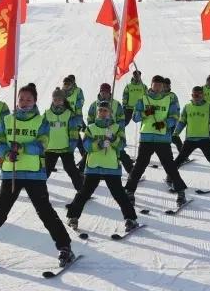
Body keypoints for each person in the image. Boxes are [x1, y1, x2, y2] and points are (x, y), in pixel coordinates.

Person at [0, 84, 74, 267]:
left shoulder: (41, 121)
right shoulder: (7, 120)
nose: (24, 102)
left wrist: (22, 147)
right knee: (0, 212)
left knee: (45, 212)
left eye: (28, 99)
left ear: (35, 101)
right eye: (21, 99)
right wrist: (6, 154)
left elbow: (43, 144)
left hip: (34, 173)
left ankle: (64, 246)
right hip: (11, 173)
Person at [66, 101, 139, 232]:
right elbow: (86, 146)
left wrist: (113, 139)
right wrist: (99, 144)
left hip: (111, 167)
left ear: (110, 113)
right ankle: (73, 217)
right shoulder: (91, 128)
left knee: (119, 195)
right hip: (94, 166)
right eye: (100, 110)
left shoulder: (116, 128)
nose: (102, 113)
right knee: (84, 193)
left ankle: (130, 218)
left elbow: (122, 145)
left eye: (105, 111)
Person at [124, 75, 189, 206]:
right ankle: (129, 191)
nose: (158, 87)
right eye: (156, 85)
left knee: (169, 166)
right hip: (146, 138)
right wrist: (146, 113)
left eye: (160, 85)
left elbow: (175, 117)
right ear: (151, 84)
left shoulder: (169, 99)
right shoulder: (144, 98)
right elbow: (135, 117)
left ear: (163, 86)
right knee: (139, 166)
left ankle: (181, 192)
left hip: (162, 138)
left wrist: (164, 124)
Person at [170, 86, 210, 188]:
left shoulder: (209, 106)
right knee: (180, 159)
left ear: (203, 95)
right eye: (194, 95)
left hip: (205, 139)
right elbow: (182, 122)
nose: (196, 97)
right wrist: (176, 133)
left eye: (199, 95)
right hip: (190, 139)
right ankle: (170, 178)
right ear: (192, 95)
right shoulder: (187, 107)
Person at [85, 82, 134, 173]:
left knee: (120, 152)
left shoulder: (116, 104)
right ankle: (82, 171)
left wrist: (119, 132)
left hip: (112, 132)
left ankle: (132, 172)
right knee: (91, 151)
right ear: (100, 92)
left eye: (106, 92)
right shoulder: (94, 105)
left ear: (110, 93)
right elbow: (90, 119)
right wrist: (93, 129)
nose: (104, 94)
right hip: (97, 133)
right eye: (102, 92)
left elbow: (121, 119)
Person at [44, 88, 83, 190]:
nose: (57, 102)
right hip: (50, 149)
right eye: (55, 99)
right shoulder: (47, 114)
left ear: (63, 100)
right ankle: (37, 192)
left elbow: (74, 132)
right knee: (45, 171)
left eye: (59, 99)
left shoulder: (69, 114)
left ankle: (82, 191)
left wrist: (71, 147)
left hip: (66, 149)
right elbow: (41, 130)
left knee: (71, 170)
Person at [62, 75, 87, 169]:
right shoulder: (61, 93)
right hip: (64, 121)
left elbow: (80, 105)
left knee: (76, 140)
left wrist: (78, 121)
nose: (66, 85)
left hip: (73, 120)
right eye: (65, 84)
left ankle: (84, 158)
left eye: (68, 84)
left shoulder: (77, 91)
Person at [163, 78, 183, 151]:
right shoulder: (159, 95)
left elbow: (177, 109)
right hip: (161, 120)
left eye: (167, 86)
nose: (165, 88)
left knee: (174, 137)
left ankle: (183, 154)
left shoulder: (172, 96)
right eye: (164, 86)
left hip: (171, 121)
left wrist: (175, 120)